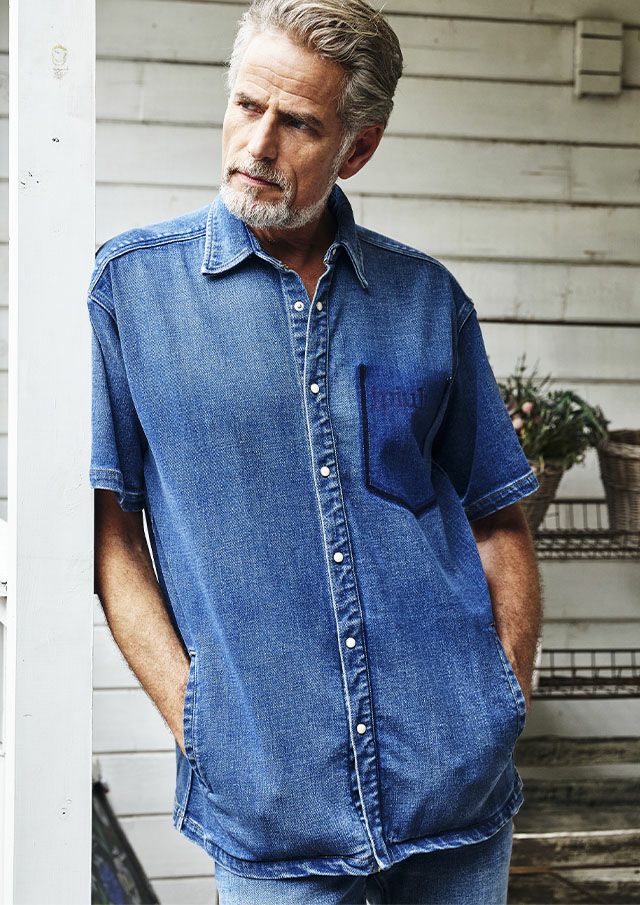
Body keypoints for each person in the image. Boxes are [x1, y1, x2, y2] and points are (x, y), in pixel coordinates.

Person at [88, 0, 543, 902]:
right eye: (246, 104)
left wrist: (504, 700)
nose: (258, 143)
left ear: (357, 148)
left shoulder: (428, 301)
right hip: (272, 810)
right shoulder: (130, 292)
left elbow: (497, 515)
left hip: (454, 790)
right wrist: (203, 725)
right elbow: (112, 540)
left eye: (297, 122)